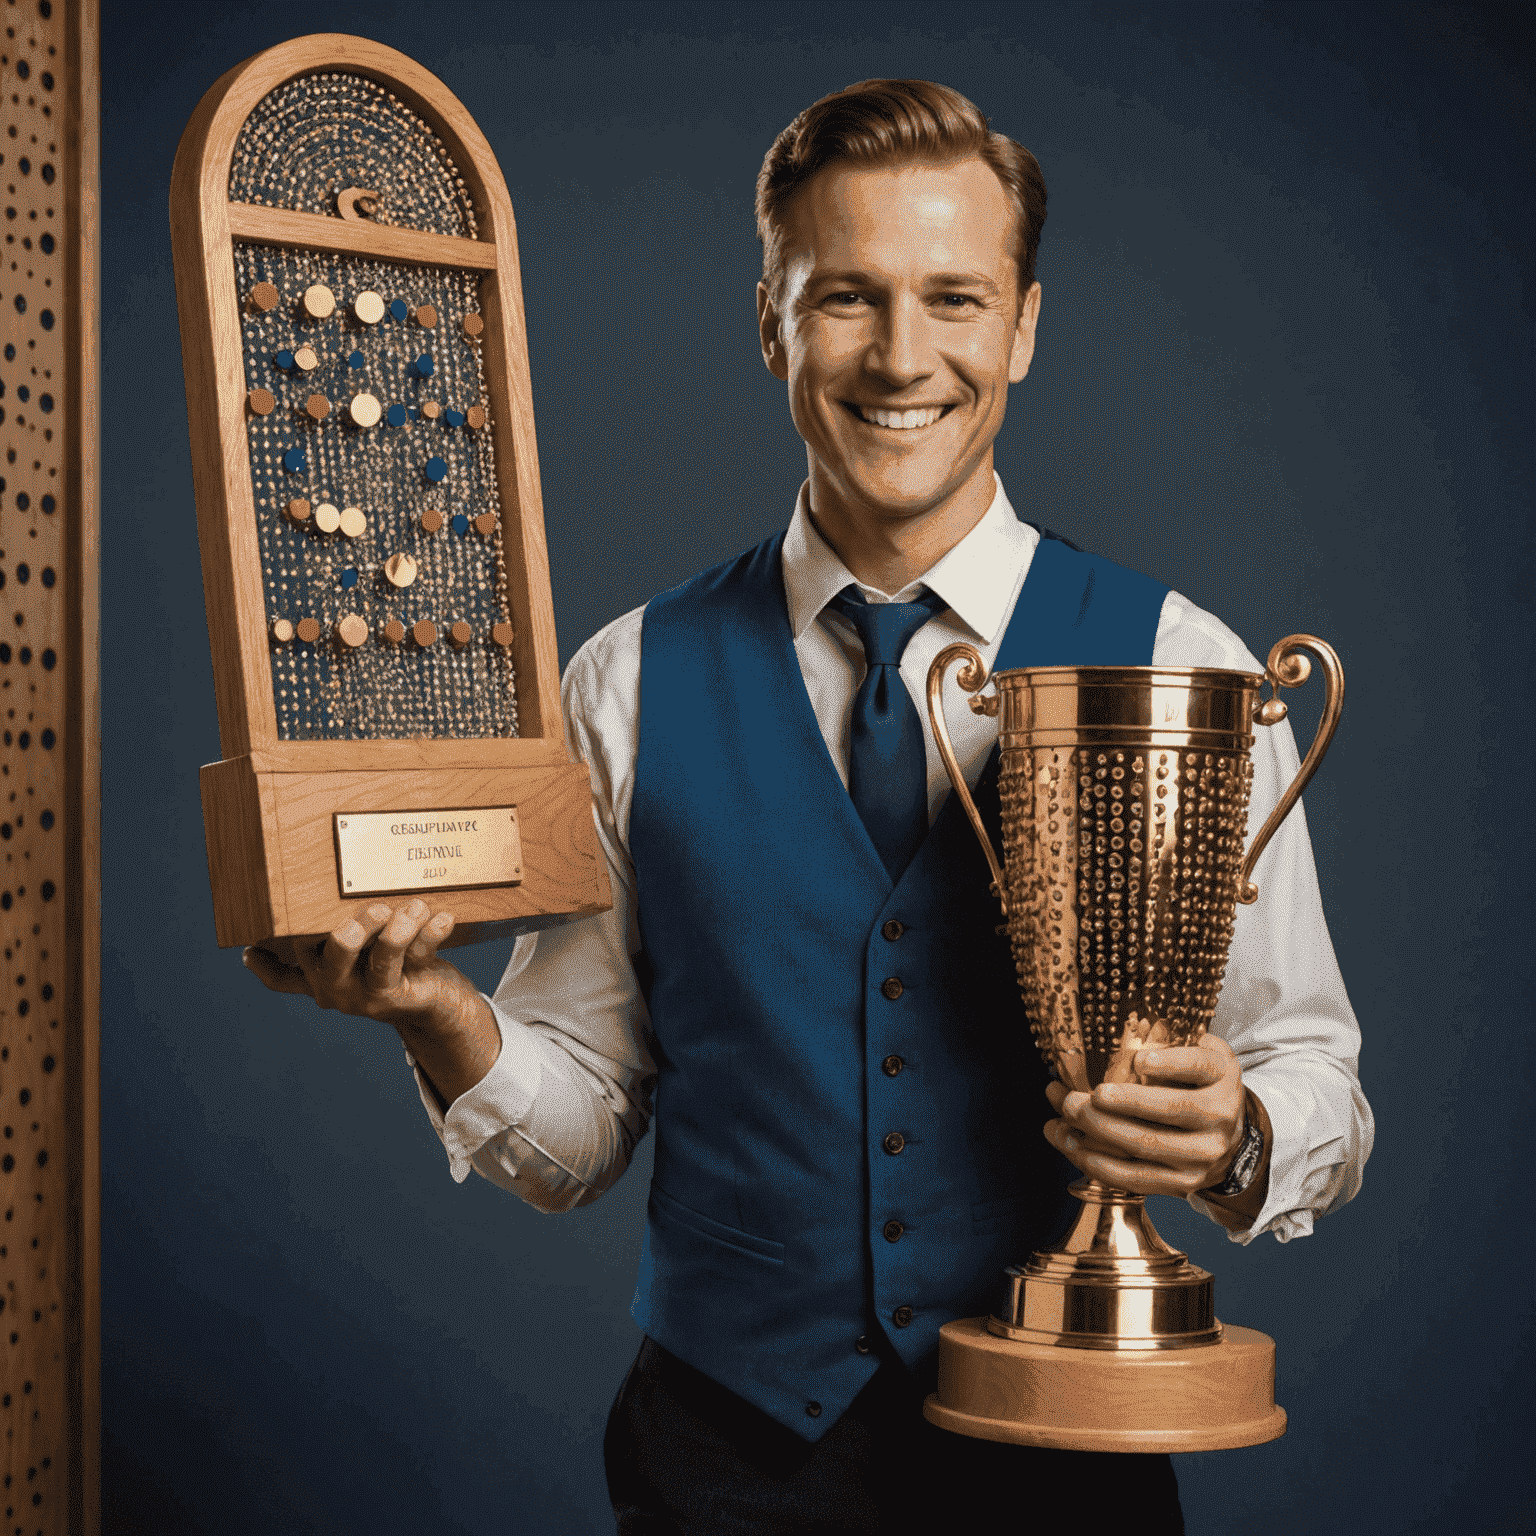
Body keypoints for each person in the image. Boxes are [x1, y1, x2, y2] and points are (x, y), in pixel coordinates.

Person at [246, 79, 1372, 1535]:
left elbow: (1315, 1075)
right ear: (769, 321)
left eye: (954, 298)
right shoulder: (628, 681)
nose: (903, 357)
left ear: (1023, 327)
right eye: (846, 298)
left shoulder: (1184, 670)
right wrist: (436, 1014)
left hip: (1071, 1456)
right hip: (720, 1463)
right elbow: (581, 1128)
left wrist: (1231, 1135)